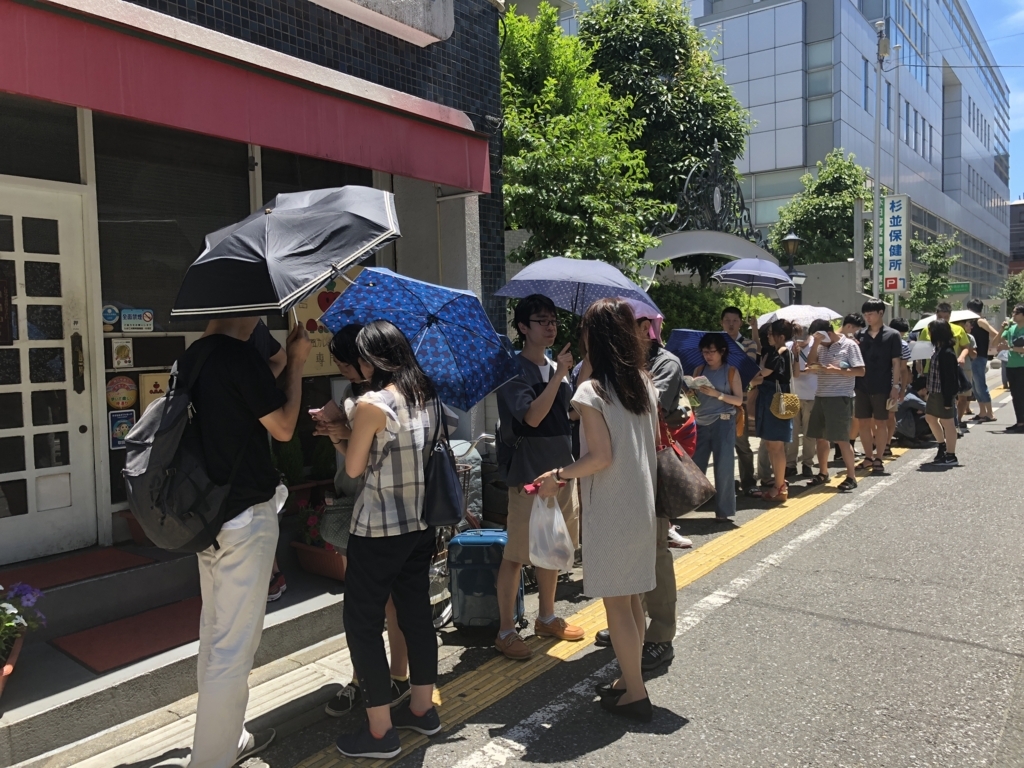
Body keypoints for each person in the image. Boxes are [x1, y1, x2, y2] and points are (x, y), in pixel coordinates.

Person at [180, 317, 310, 768]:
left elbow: (235, 402)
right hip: (245, 518)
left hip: (207, 516)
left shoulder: (193, 356)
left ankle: (226, 738)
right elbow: (284, 426)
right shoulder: (239, 359)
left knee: (214, 635)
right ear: (247, 312)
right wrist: (295, 363)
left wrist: (278, 363)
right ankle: (211, 759)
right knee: (233, 648)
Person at [534, 298, 659, 723]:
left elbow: (600, 456)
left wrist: (560, 475)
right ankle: (629, 679)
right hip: (642, 503)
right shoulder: (643, 381)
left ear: (593, 337)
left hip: (610, 507)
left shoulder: (592, 391)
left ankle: (636, 694)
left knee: (617, 606)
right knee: (632, 600)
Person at [331, 321, 446, 759]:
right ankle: (421, 709)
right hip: (420, 525)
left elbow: (357, 468)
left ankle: (379, 732)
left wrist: (340, 437)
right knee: (416, 614)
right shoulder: (427, 394)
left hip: (378, 530)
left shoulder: (372, 404)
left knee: (362, 623)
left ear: (371, 359)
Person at [315, 325, 413, 719]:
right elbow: (350, 459)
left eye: (346, 361)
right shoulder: (351, 395)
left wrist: (344, 432)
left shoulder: (390, 397)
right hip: (355, 504)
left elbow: (368, 461)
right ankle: (364, 679)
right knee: (366, 607)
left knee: (392, 603)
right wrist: (334, 431)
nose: (344, 369)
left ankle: (397, 678)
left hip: (383, 510)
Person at [593, 300, 686, 671]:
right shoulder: (620, 369)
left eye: (641, 323)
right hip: (628, 467)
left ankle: (660, 635)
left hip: (653, 465)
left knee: (656, 552)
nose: (635, 330)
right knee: (631, 552)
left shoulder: (664, 364)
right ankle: (633, 624)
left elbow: (646, 408)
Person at [494, 295, 584, 661]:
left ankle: (546, 616)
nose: (550, 326)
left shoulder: (554, 366)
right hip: (530, 472)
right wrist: (560, 375)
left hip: (562, 468)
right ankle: (505, 630)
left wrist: (574, 374)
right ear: (523, 327)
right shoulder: (513, 370)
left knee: (555, 547)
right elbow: (531, 417)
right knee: (517, 554)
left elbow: (570, 414)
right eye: (541, 320)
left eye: (553, 320)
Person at [244, 320, 289, 604]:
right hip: (258, 429)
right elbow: (281, 358)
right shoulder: (257, 324)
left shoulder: (235, 327)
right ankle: (273, 574)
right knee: (261, 501)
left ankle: (268, 577)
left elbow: (284, 430)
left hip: (242, 436)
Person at [806, 314, 866, 492]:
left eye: (819, 338)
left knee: (841, 438)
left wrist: (838, 370)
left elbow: (861, 371)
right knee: (820, 436)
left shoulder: (849, 345)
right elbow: (811, 362)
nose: (818, 342)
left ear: (827, 332)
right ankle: (823, 472)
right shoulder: (821, 347)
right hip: (821, 395)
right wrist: (816, 344)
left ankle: (851, 476)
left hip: (840, 396)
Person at [690, 333, 745, 521]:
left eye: (712, 352)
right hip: (701, 422)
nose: (708, 356)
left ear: (722, 351)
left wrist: (717, 394)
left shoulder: (731, 371)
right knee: (696, 466)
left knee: (724, 468)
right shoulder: (699, 370)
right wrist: (690, 393)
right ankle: (692, 505)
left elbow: (738, 400)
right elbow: (695, 401)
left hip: (723, 421)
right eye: (704, 352)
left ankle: (724, 511)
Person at [853, 299, 903, 475]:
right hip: (861, 385)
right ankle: (868, 457)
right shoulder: (859, 335)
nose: (868, 317)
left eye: (871, 314)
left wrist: (896, 385)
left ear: (881, 313)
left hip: (883, 385)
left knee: (881, 422)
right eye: (865, 314)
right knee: (863, 423)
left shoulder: (892, 335)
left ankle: (879, 458)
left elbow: (896, 362)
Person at [750, 319, 796, 502]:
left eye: (770, 333)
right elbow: (759, 348)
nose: (767, 336)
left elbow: (765, 373)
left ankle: (780, 487)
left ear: (781, 336)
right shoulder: (775, 351)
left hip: (777, 400)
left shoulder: (783, 352)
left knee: (776, 446)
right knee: (771, 444)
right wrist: (754, 328)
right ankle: (779, 483)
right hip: (771, 400)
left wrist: (755, 378)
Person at [720, 307, 762, 493]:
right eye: (727, 320)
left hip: (740, 401)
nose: (731, 324)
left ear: (740, 323)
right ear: (721, 323)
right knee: (721, 446)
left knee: (742, 443)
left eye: (735, 320)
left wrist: (734, 352)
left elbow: (748, 369)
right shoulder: (716, 343)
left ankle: (748, 481)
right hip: (718, 400)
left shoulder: (749, 344)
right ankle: (726, 484)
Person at [790, 320, 829, 477]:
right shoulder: (789, 346)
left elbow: (823, 367)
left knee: (809, 433)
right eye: (797, 336)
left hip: (812, 394)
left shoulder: (818, 345)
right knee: (791, 433)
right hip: (793, 394)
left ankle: (807, 463)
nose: (800, 340)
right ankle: (790, 464)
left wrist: (811, 370)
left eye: (803, 336)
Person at [924, 319, 962, 467]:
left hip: (943, 392)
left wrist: (948, 399)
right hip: (935, 391)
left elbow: (950, 378)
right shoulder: (939, 349)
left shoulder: (946, 352)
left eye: (931, 330)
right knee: (930, 418)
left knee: (948, 422)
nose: (929, 333)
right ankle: (942, 446)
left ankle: (951, 455)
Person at [965, 298, 1000, 423]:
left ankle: (990, 413)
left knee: (980, 384)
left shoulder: (980, 321)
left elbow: (994, 332)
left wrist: (995, 344)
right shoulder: (972, 322)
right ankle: (982, 412)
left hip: (980, 356)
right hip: (974, 356)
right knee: (975, 386)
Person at [885, 318, 913, 453]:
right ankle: (886, 443)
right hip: (893, 386)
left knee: (880, 417)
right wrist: (902, 388)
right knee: (890, 415)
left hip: (885, 385)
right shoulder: (903, 344)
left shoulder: (883, 340)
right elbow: (904, 370)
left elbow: (903, 369)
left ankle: (883, 442)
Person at [996, 304, 1024, 431]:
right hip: (1012, 366)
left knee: (1021, 394)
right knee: (1016, 395)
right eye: (1013, 312)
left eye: (1016, 313)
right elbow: (994, 343)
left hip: (1022, 366)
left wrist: (1010, 348)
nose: (1013, 315)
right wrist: (1002, 329)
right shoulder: (1011, 329)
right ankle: (1019, 422)